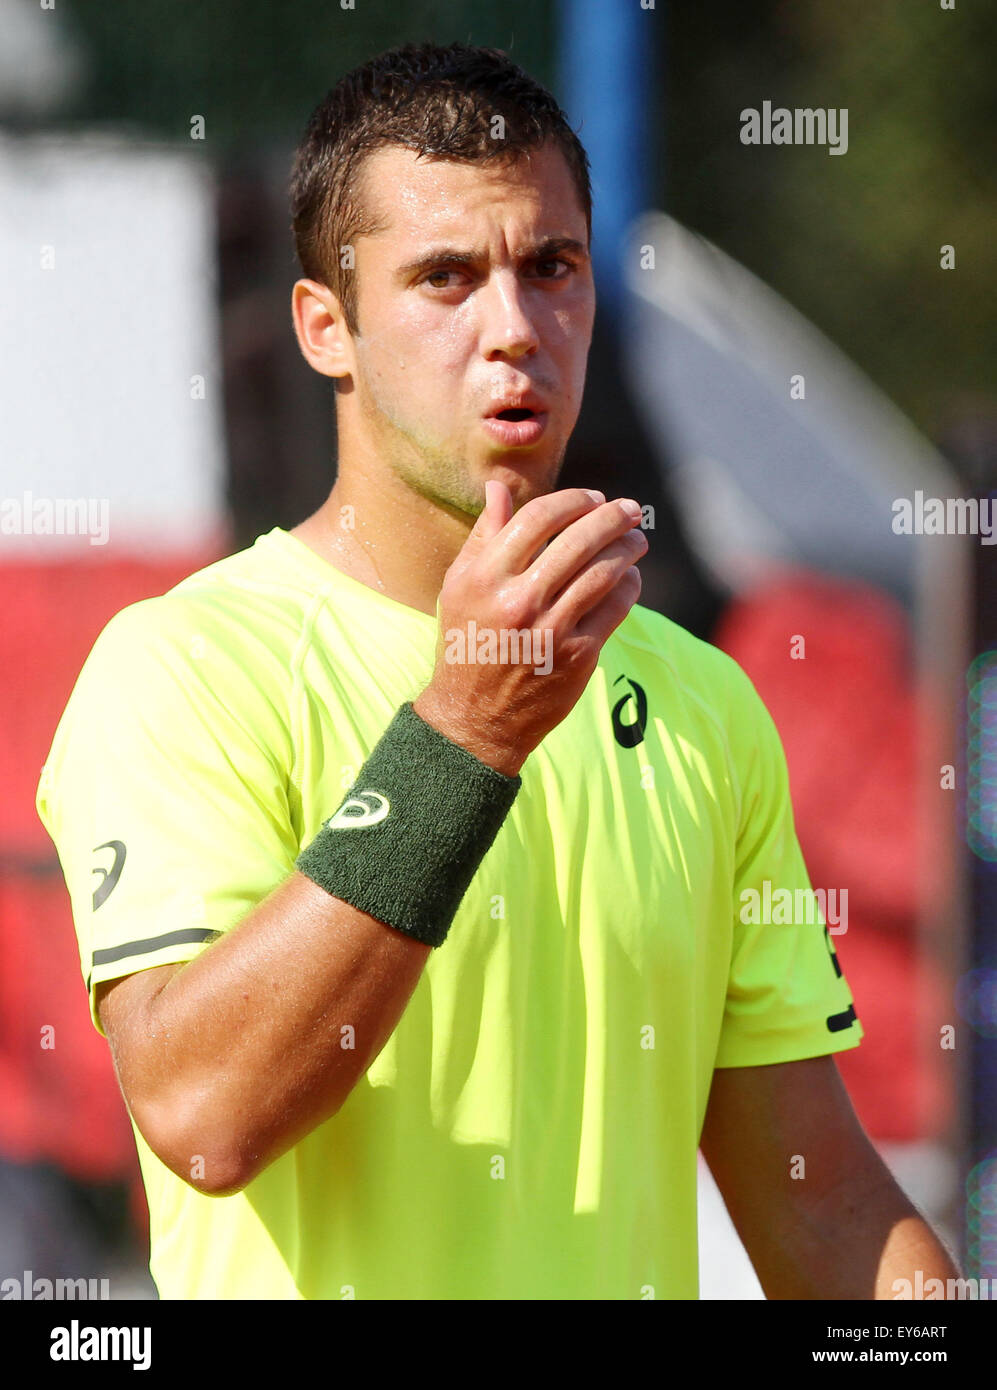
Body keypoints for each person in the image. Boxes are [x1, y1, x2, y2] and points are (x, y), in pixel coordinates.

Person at [37, 41, 957, 1300]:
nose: (512, 328)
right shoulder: (183, 666)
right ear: (326, 328)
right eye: (445, 279)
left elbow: (821, 1201)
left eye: (551, 268)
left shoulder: (702, 702)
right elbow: (201, 1113)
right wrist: (465, 732)